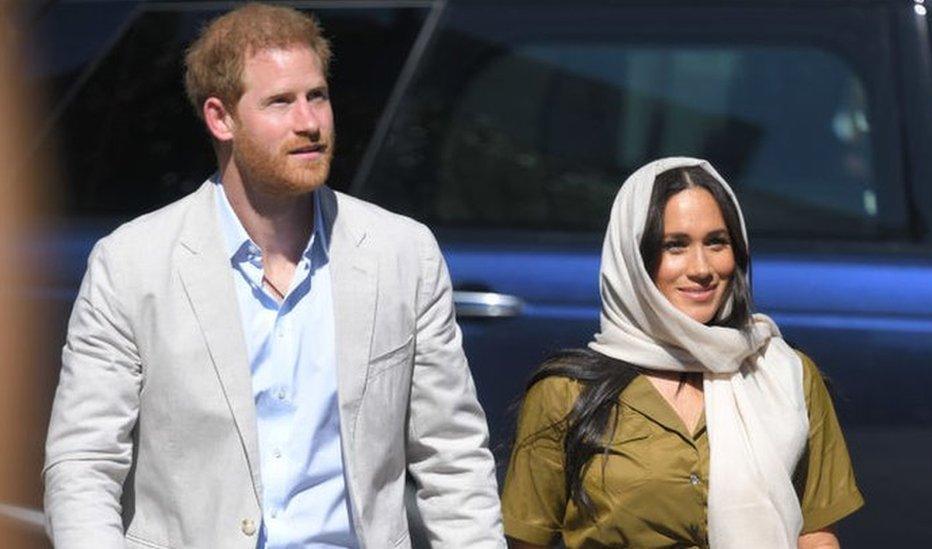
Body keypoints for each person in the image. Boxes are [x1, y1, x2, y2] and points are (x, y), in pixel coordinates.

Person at [43, 4, 504, 548]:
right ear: (221, 118)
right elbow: (83, 464)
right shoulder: (131, 264)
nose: (309, 122)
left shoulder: (401, 253)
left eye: (317, 96)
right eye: (280, 102)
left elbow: (451, 455)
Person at [501, 157, 863, 549]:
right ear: (634, 258)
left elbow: (816, 535)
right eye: (674, 246)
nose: (702, 268)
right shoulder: (566, 393)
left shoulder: (784, 374)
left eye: (716, 242)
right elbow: (527, 541)